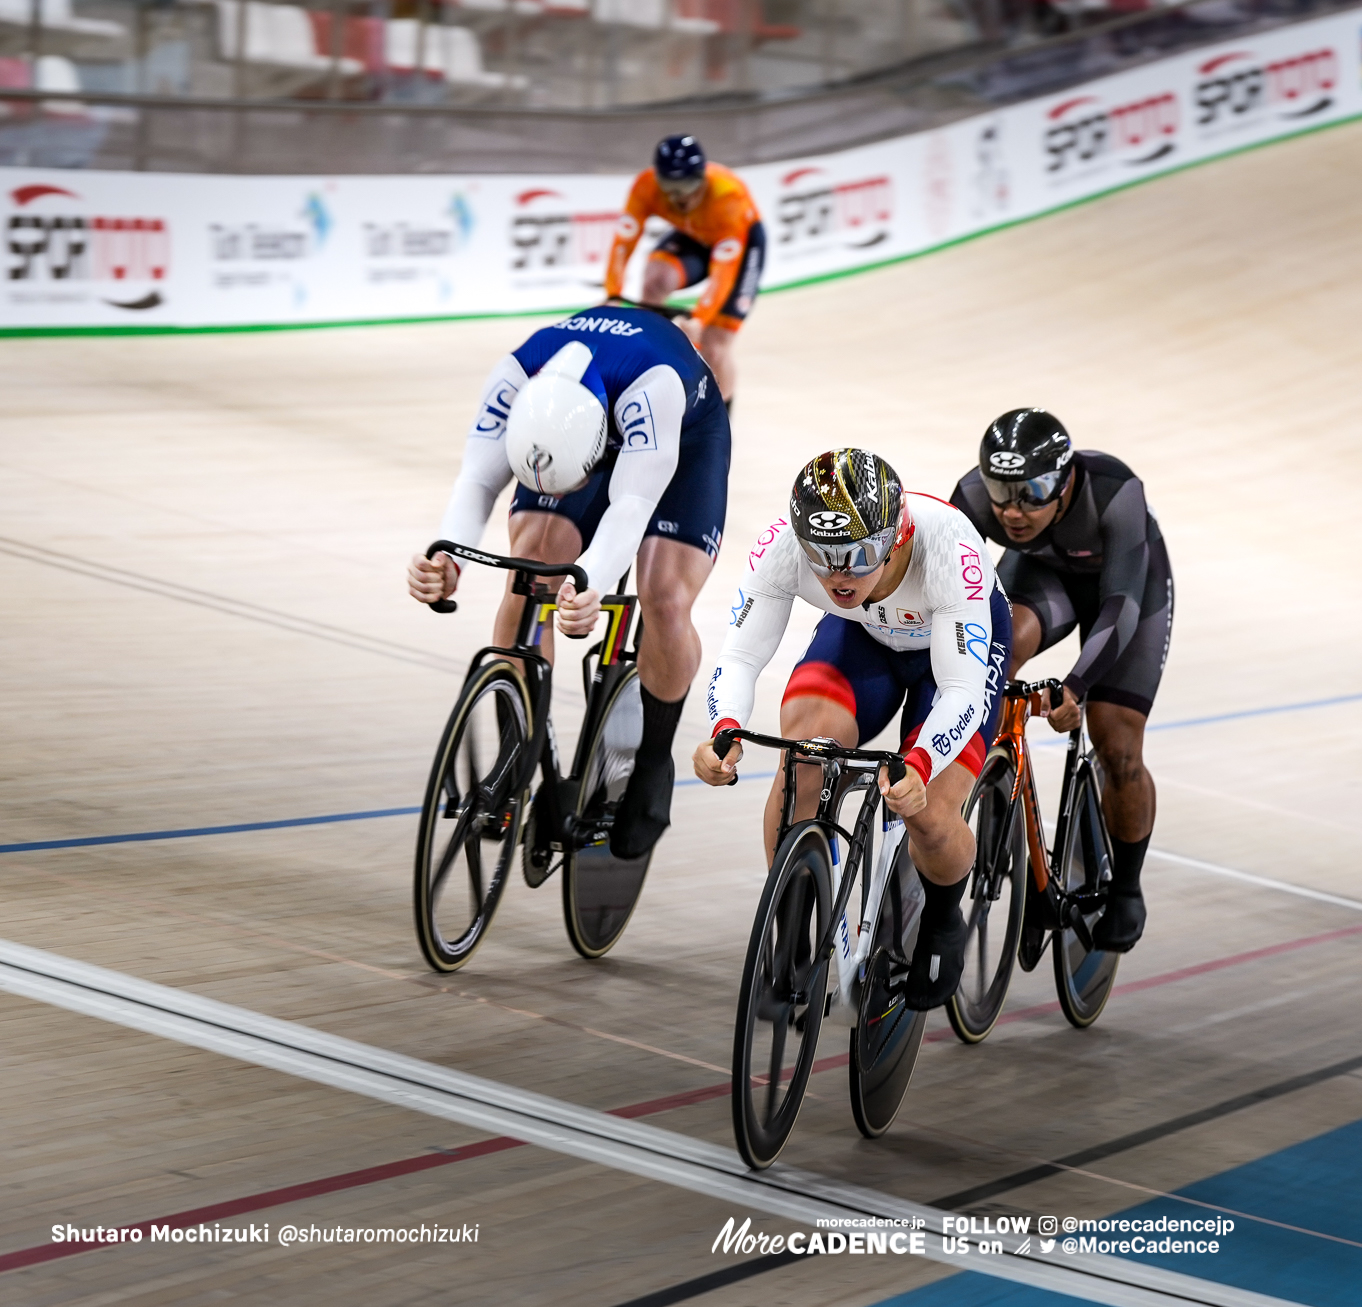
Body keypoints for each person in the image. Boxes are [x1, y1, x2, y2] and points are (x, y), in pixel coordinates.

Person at [405, 302, 730, 862]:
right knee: (531, 565)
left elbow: (630, 505)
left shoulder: (654, 387)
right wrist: (447, 562)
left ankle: (653, 764)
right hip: (566, 438)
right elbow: (478, 481)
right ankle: (517, 747)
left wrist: (593, 584)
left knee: (663, 596)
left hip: (685, 439)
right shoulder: (513, 378)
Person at [691, 450, 1010, 1010]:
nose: (839, 576)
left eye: (859, 556)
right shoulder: (785, 547)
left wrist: (921, 764)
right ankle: (789, 933)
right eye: (823, 557)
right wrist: (725, 728)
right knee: (804, 757)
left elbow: (960, 690)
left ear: (896, 535)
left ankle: (941, 916)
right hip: (866, 638)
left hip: (952, 656)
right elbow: (740, 654)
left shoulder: (947, 549)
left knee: (929, 807)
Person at [947, 409, 1172, 954]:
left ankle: (1126, 886)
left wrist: (1073, 686)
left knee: (1115, 738)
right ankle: (998, 786)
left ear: (1067, 480)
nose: (1013, 511)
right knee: (998, 655)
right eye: (1001, 492)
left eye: (1033, 492)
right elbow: (949, 592)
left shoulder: (1116, 492)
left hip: (1125, 595)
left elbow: (1120, 608)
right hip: (1043, 578)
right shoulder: (972, 498)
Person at [603, 134, 764, 405]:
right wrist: (612, 294)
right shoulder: (646, 187)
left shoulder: (728, 197)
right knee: (654, 282)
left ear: (702, 177)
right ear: (658, 179)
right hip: (695, 235)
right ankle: (648, 375)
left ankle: (721, 426)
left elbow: (723, 273)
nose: (680, 197)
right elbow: (623, 244)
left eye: (688, 185)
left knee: (714, 345)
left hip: (741, 244)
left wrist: (700, 319)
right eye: (670, 186)